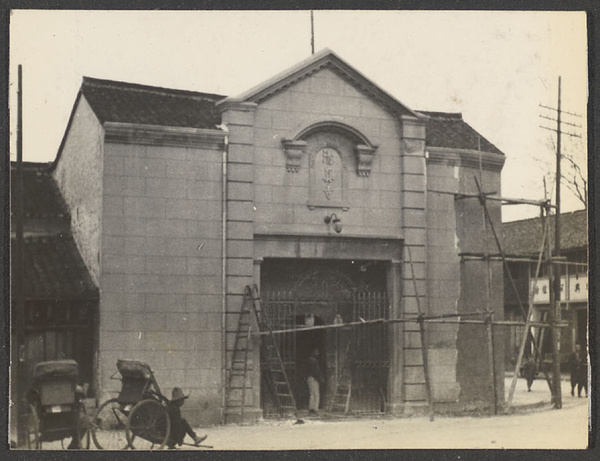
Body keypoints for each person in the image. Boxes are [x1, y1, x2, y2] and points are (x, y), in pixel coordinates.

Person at [307, 348, 324, 416]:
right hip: (314, 379)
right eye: (316, 352)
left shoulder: (308, 360)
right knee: (316, 394)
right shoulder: (314, 361)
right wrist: (320, 378)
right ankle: (315, 409)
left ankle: (311, 408)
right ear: (313, 353)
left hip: (309, 378)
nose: (318, 354)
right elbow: (317, 371)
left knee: (312, 394)